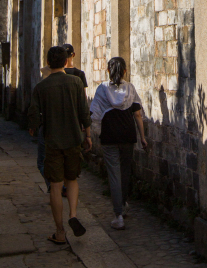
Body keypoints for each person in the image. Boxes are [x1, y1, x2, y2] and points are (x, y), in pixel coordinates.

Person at [28, 46, 92, 244]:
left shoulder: (41, 87)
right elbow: (84, 112)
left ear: (48, 63)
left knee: (56, 186)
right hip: (73, 139)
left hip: (52, 141)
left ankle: (60, 232)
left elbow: (33, 118)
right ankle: (73, 214)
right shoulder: (75, 82)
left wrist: (34, 128)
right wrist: (87, 136)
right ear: (66, 62)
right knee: (72, 180)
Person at [90, 56, 147, 230]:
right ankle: (123, 204)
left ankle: (118, 215)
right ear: (124, 71)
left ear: (108, 71)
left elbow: (94, 115)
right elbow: (137, 114)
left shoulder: (102, 89)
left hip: (109, 137)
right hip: (128, 136)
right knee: (125, 172)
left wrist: (96, 134)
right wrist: (143, 137)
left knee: (114, 175)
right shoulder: (130, 89)